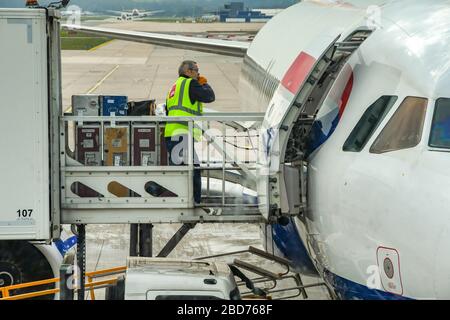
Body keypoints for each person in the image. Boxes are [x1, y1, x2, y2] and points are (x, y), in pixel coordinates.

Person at [164, 60, 215, 204]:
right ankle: (193, 201)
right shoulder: (190, 84)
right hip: (182, 133)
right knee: (192, 169)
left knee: (181, 169)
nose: (199, 73)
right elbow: (209, 97)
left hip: (172, 133)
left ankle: (180, 198)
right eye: (197, 70)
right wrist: (204, 84)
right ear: (188, 72)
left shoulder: (174, 87)